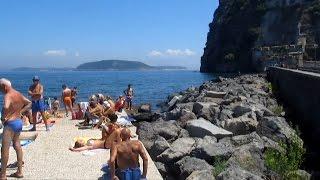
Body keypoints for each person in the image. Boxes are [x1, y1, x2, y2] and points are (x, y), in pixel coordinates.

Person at [0, 78, 32, 179]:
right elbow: (29, 103)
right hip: (18, 122)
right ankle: (19, 172)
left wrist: (3, 117)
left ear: (4, 87)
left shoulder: (8, 95)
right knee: (17, 145)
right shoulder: (17, 93)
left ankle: (3, 175)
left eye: (0, 88)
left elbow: (6, 107)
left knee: (4, 148)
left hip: (10, 124)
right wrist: (20, 112)